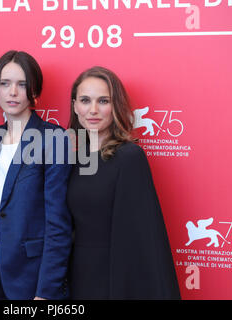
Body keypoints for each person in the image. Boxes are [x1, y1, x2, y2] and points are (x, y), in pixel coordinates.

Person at [67, 66, 180, 299]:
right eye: (85, 100)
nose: (93, 110)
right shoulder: (70, 157)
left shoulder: (130, 157)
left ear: (115, 106)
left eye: (103, 101)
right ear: (75, 106)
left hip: (113, 280)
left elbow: (144, 238)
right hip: (72, 278)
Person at [0, 50, 72, 300]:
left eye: (21, 84)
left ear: (34, 91)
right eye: (5, 84)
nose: (12, 92)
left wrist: (46, 291)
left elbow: (57, 223)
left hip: (29, 271)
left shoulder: (53, 139)